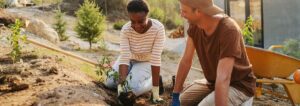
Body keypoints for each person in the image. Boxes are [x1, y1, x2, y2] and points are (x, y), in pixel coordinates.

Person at [171, 0, 256, 106]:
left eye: (184, 11)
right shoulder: (194, 26)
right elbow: (186, 61)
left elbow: (224, 78)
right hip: (213, 82)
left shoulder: (229, 30)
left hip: (239, 86)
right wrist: (175, 94)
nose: (181, 15)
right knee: (182, 102)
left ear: (198, 11)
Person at [104, 0, 165, 104]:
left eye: (141, 22)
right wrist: (120, 90)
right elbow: (124, 58)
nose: (136, 26)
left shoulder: (158, 29)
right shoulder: (126, 29)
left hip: (146, 62)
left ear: (147, 15)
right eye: (133, 21)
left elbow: (155, 59)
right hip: (129, 58)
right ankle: (129, 83)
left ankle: (152, 82)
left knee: (129, 89)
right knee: (109, 83)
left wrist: (155, 94)